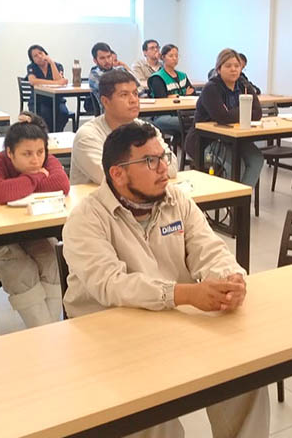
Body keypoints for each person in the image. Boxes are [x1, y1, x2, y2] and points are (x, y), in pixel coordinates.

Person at [63, 121, 270, 437]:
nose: (165, 168)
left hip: (171, 320)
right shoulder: (86, 218)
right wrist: (184, 294)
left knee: (246, 377)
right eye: (150, 161)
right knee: (151, 412)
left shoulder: (176, 200)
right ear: (118, 174)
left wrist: (230, 278)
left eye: (164, 156)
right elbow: (111, 284)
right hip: (109, 336)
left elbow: (208, 248)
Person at [0, 115, 68, 327]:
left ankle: (47, 333)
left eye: (40, 152)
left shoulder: (44, 158)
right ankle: (48, 335)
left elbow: (61, 184)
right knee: (22, 270)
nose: (35, 160)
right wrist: (37, 177)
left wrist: (23, 185)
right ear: (10, 153)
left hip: (28, 233)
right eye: (27, 154)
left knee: (52, 262)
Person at [70, 68, 178, 185]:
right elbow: (112, 178)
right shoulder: (88, 136)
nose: (133, 100)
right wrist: (153, 167)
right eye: (124, 95)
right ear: (105, 102)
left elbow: (172, 167)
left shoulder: (146, 129)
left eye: (135, 94)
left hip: (145, 194)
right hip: (100, 197)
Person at [185, 49, 263, 187]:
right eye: (228, 66)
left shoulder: (244, 85)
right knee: (237, 165)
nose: (233, 69)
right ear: (219, 69)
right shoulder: (211, 88)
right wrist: (244, 111)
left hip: (233, 138)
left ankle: (241, 198)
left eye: (237, 66)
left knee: (256, 158)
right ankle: (233, 198)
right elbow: (223, 117)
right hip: (205, 141)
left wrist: (233, 113)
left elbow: (257, 113)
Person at [25, 44, 71, 132]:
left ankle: (57, 133)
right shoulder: (31, 67)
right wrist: (56, 83)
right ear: (32, 59)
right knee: (45, 114)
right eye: (35, 56)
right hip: (38, 101)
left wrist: (51, 63)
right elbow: (33, 81)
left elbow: (58, 79)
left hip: (57, 101)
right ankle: (47, 135)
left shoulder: (57, 65)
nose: (39, 56)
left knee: (63, 113)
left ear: (45, 53)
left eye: (40, 53)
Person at [87, 42, 114, 111]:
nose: (107, 61)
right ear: (95, 61)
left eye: (109, 57)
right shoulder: (95, 75)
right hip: (110, 112)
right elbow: (111, 92)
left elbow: (138, 87)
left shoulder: (120, 70)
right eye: (102, 58)